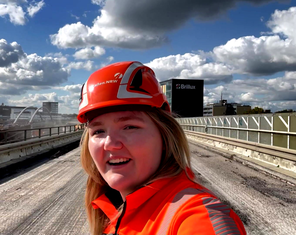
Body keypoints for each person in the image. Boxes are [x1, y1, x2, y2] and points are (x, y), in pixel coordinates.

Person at [78, 61, 246, 235]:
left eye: (129, 127)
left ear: (165, 136)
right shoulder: (112, 212)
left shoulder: (198, 215)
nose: (109, 143)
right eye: (98, 131)